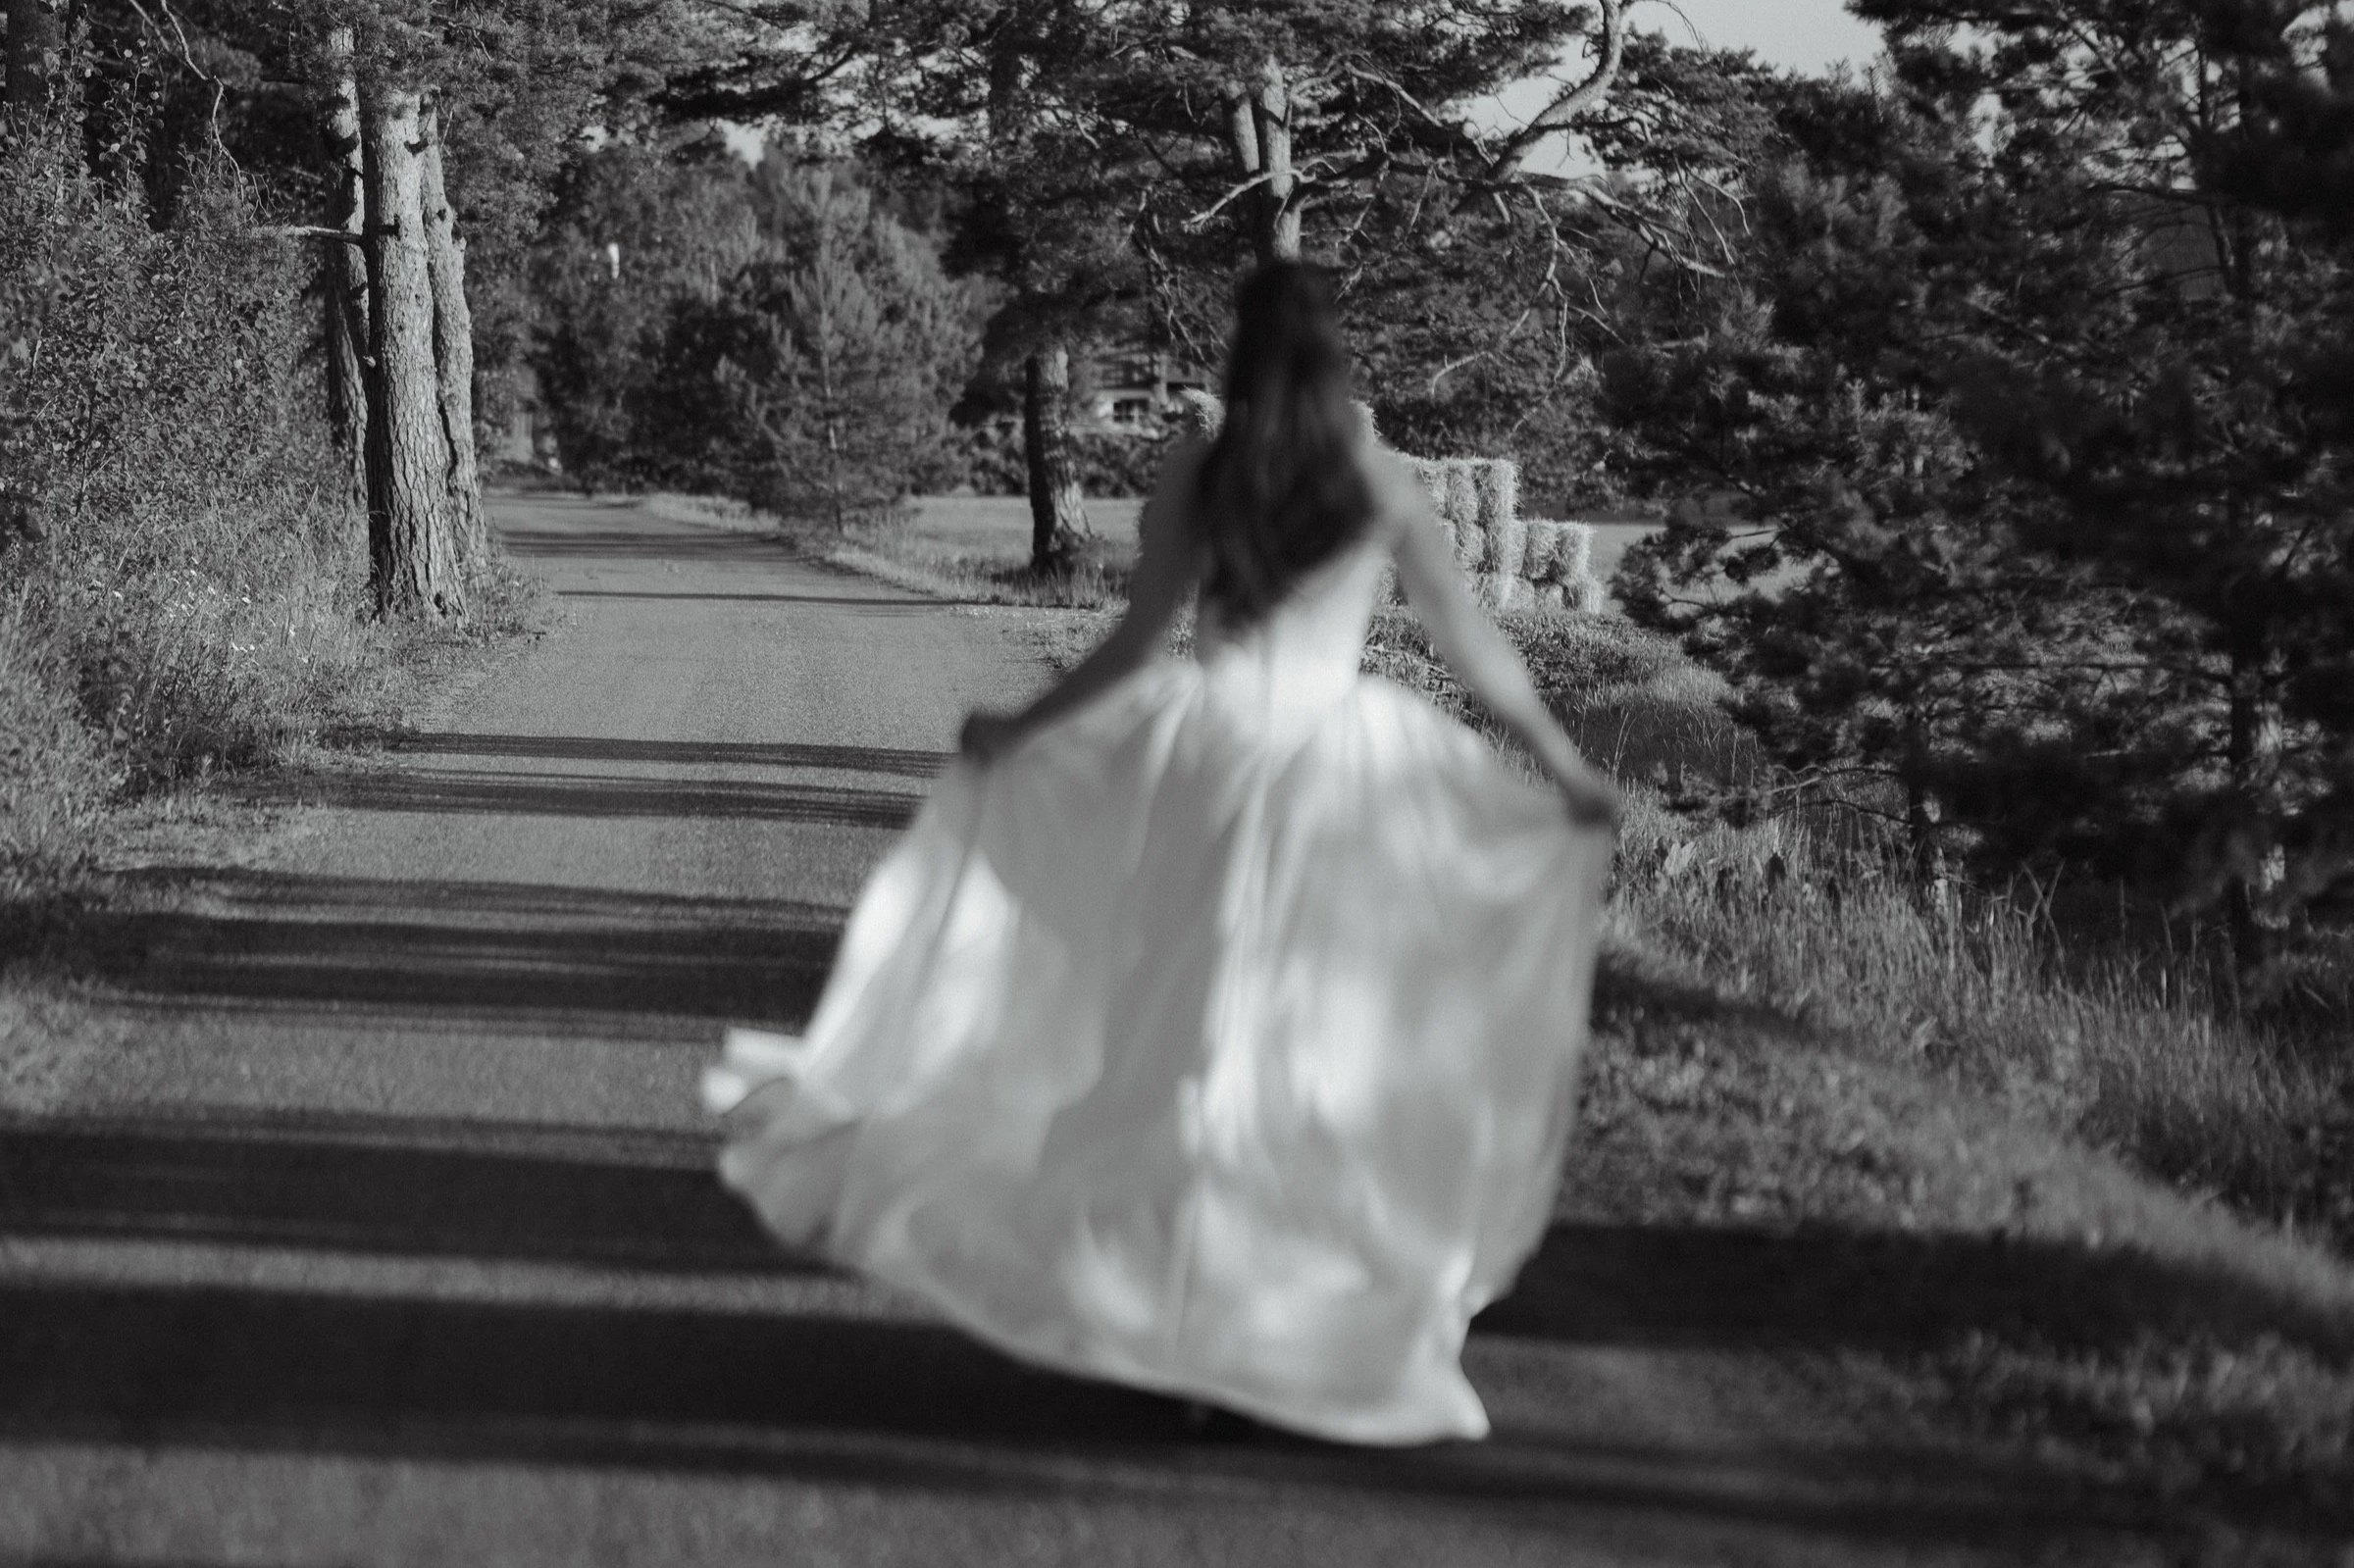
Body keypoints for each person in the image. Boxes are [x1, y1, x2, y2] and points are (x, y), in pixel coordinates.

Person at [704, 262, 1618, 1445]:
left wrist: (1019, 733)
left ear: (1241, 356)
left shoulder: (1203, 469)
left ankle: (1170, 1308)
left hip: (1209, 757)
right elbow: (1475, 648)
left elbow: (1139, 643)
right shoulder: (1378, 484)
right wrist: (1567, 765)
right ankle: (1270, 1309)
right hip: (1342, 773)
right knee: (1305, 1038)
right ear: (1334, 358)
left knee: (1182, 1024)